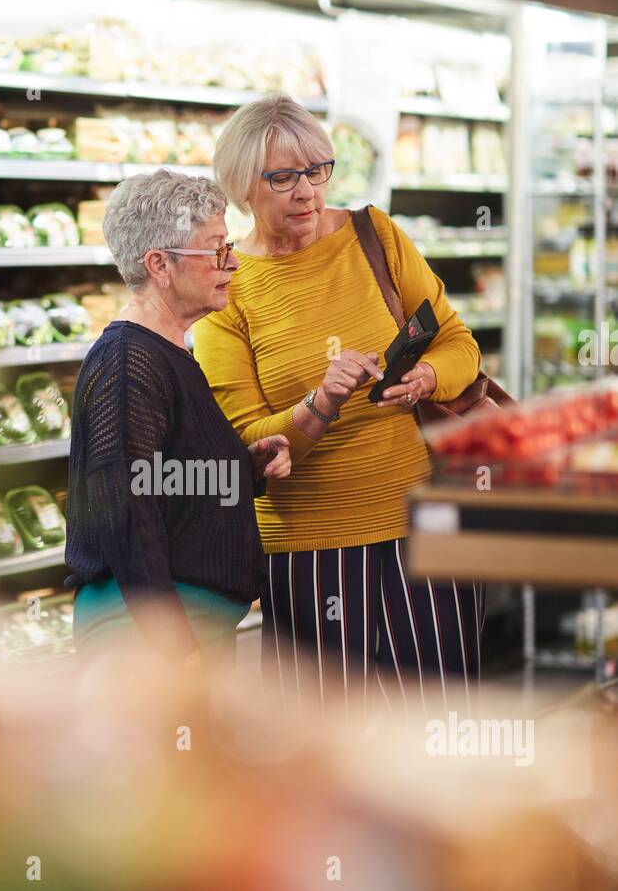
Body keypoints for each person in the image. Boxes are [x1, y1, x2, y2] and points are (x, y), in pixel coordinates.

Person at [193, 94, 485, 709]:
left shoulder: (374, 235)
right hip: (308, 550)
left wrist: (427, 376)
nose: (306, 192)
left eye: (317, 170)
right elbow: (247, 437)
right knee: (322, 742)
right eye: (283, 177)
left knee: (438, 718)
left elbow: (459, 342)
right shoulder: (229, 291)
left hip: (423, 526)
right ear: (243, 183)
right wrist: (319, 401)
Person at [65, 168, 291, 662]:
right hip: (148, 636)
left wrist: (241, 466)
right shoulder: (129, 362)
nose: (231, 264)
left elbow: (161, 479)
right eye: (216, 250)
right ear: (159, 265)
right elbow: (126, 512)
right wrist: (174, 651)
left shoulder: (166, 351)